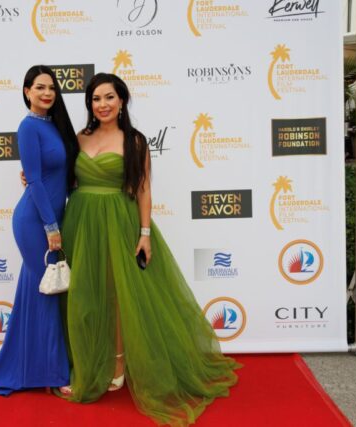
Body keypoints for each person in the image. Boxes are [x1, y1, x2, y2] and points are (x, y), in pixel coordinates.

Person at [60, 73, 239, 425]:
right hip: (80, 223)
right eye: (96, 99)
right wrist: (30, 176)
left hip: (119, 223)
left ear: (122, 100)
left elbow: (143, 189)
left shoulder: (135, 141)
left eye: (109, 97)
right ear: (89, 105)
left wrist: (144, 234)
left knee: (117, 295)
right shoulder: (78, 138)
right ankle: (86, 362)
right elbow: (63, 178)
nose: (102, 104)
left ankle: (117, 365)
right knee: (85, 295)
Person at [0, 65, 78, 395]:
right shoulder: (28, 127)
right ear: (27, 92)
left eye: (51, 88)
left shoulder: (57, 125)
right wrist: (51, 226)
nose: (47, 93)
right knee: (48, 294)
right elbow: (33, 179)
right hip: (35, 222)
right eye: (39, 87)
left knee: (36, 291)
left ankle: (26, 365)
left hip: (54, 217)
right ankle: (56, 374)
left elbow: (62, 174)